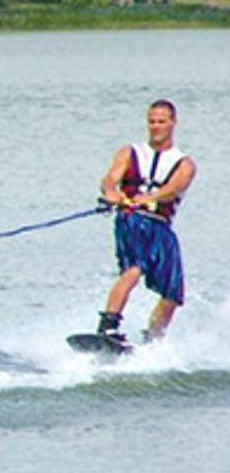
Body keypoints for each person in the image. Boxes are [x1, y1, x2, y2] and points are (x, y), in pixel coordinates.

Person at [96, 98, 197, 344]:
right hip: (132, 220)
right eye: (151, 122)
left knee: (173, 293)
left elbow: (171, 190)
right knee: (134, 268)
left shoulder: (184, 163)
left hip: (160, 226)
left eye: (161, 122)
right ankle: (108, 325)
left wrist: (147, 198)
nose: (155, 127)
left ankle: (152, 340)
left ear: (173, 123)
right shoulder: (129, 153)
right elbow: (110, 180)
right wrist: (112, 194)